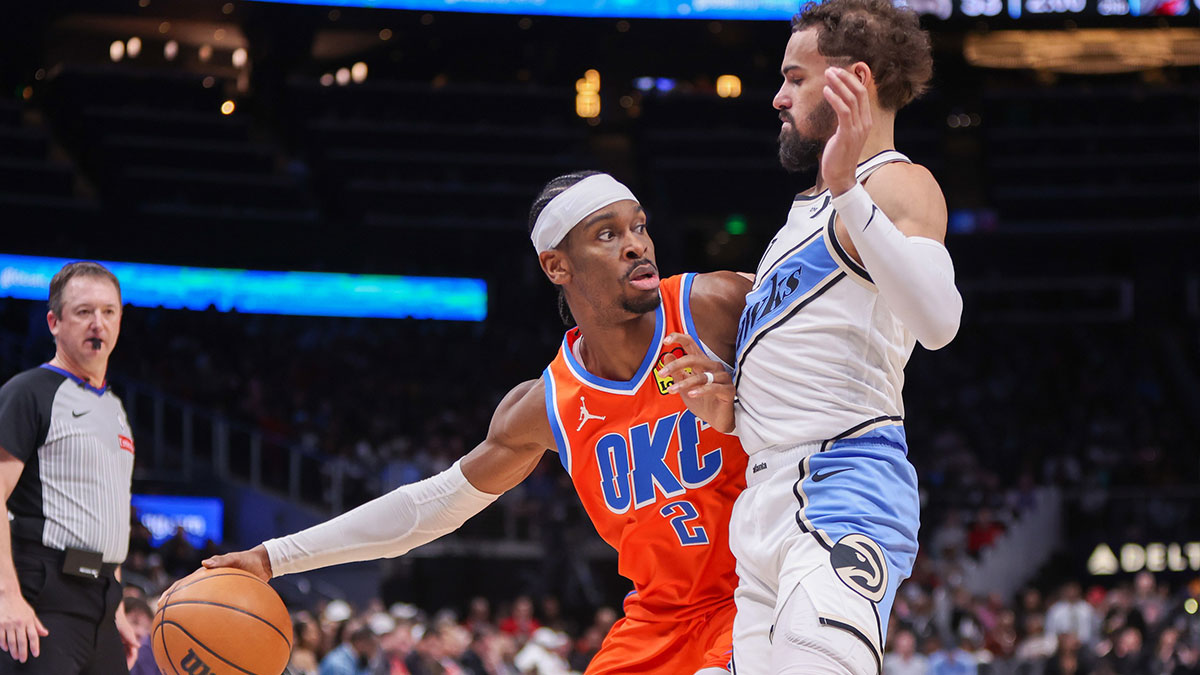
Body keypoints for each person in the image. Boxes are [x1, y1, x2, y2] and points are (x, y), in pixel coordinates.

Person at [187, 171, 752, 674]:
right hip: (660, 622)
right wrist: (272, 557)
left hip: (762, 594)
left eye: (639, 227)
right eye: (607, 235)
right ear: (557, 265)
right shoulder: (546, 404)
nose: (635, 246)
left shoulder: (714, 305)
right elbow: (426, 510)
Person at [658, 0, 962, 672]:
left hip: (843, 482)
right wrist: (730, 410)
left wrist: (850, 188)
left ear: (855, 80)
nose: (778, 96)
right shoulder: (800, 217)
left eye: (796, 77)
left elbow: (940, 321)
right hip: (765, 505)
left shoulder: (897, 183)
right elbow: (811, 369)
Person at [0, 261, 141, 673]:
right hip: (41, 596)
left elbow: (105, 516)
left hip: (100, 602)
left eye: (108, 312)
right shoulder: (29, 392)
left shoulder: (113, 408)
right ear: (54, 322)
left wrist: (113, 608)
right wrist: (7, 596)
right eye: (83, 312)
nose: (98, 323)